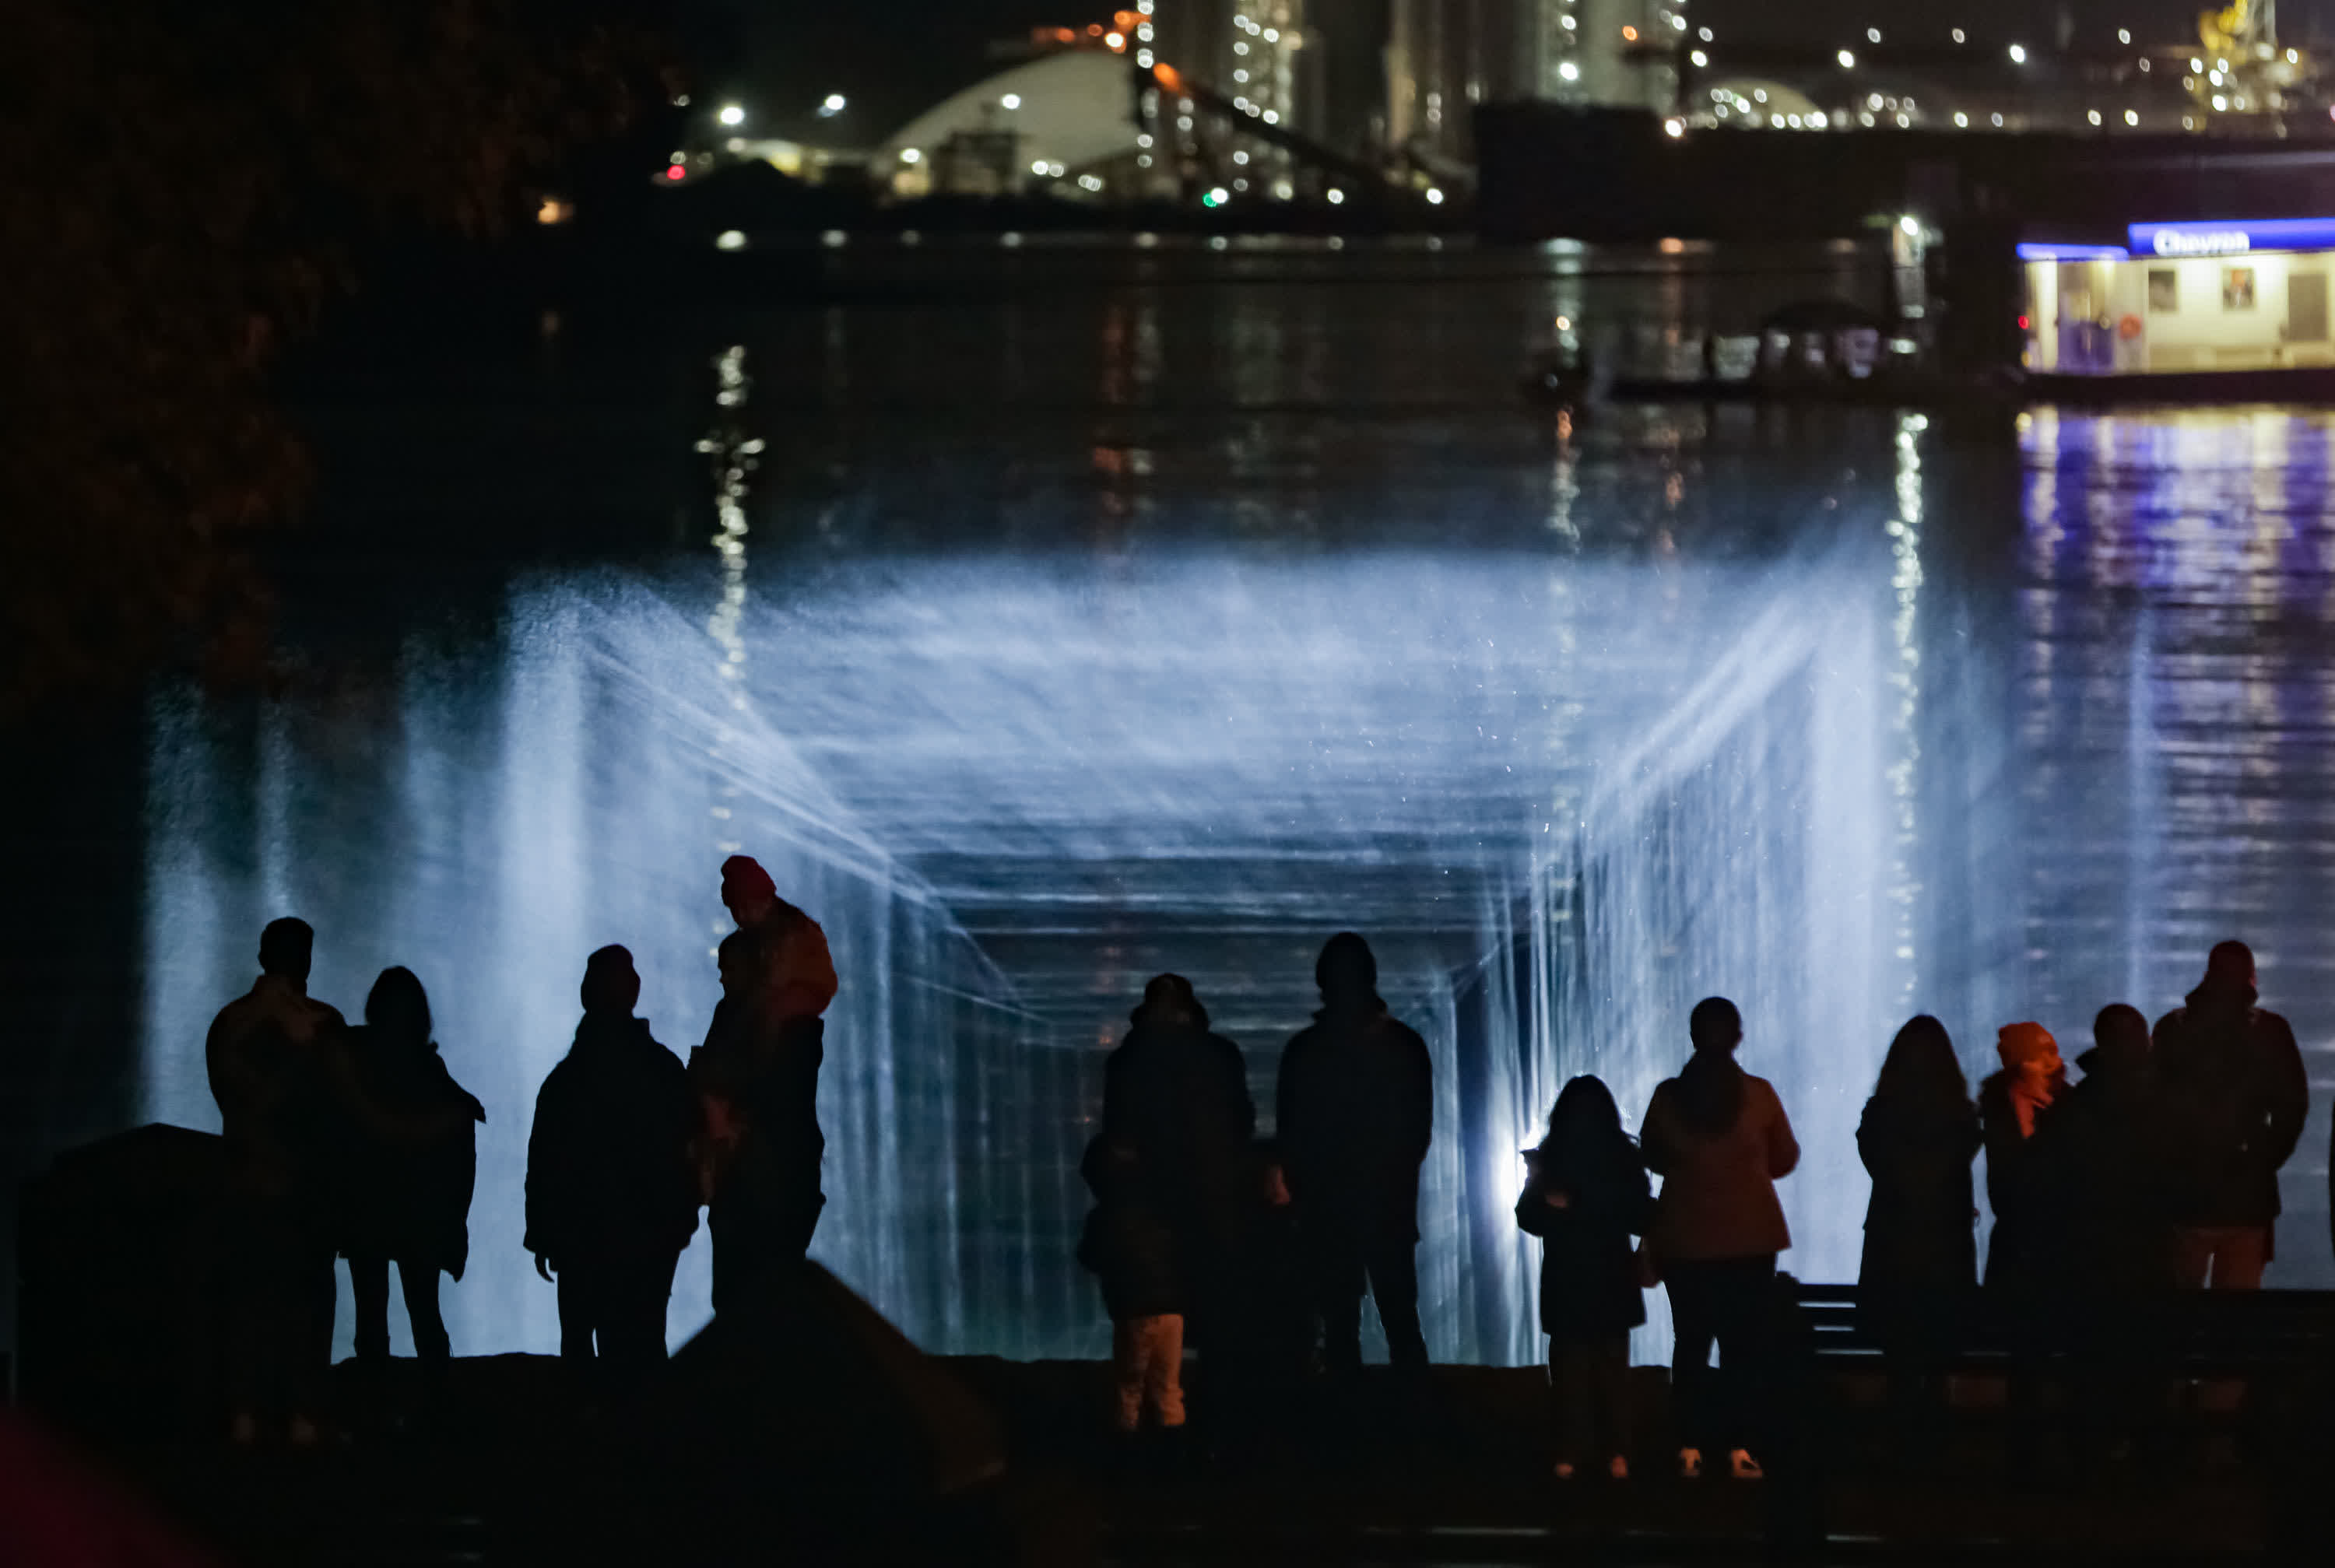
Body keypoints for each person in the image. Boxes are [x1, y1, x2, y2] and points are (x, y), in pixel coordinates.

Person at [525, 946, 701, 1388]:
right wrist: (681, 1220)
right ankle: (642, 1447)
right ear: (635, 993)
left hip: (582, 1237)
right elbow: (690, 1149)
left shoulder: (565, 1080)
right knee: (642, 1348)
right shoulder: (665, 1071)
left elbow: (545, 1160)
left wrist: (542, 1231)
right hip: (648, 1238)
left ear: (585, 994)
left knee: (583, 1353)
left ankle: (591, 1444)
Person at [1641, 996, 1799, 1482]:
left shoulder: (1668, 1097)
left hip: (1686, 1240)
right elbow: (1785, 1159)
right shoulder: (1760, 1095)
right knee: (1742, 1348)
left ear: (1692, 1036)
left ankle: (1688, 1446)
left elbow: (1653, 1156)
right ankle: (1741, 1447)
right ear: (1738, 1036)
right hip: (1750, 1240)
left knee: (1689, 1343)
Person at [205, 917, 346, 1445]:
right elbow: (339, 1109)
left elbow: (229, 1096)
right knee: (306, 1302)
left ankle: (245, 1413)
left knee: (247, 1302)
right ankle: (304, 1415)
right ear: (305, 959)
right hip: (305, 1189)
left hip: (245, 1182)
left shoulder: (227, 1023)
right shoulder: (324, 1024)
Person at [1275, 932, 1434, 1373]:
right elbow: (1417, 1135)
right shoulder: (1405, 1047)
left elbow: (1291, 1134)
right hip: (1389, 1208)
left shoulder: (1304, 1052)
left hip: (1327, 1212)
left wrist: (1305, 1193)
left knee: (1339, 1325)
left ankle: (1345, 1425)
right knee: (1402, 1320)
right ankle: (1415, 1421)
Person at [690, 855, 834, 1310]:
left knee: (744, 1287)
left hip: (753, 1164)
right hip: (769, 1162)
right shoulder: (788, 962)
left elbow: (732, 1074)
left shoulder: (759, 1014)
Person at [341, 967, 483, 1375]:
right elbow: (458, 1147)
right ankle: (438, 1411)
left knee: (371, 1313)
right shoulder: (429, 1068)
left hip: (367, 1206)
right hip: (418, 1213)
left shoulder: (356, 1053)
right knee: (425, 1313)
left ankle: (373, 1408)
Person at [1098, 974, 1256, 1336]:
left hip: (1150, 1192)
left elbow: (1118, 1132)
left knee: (1155, 1291)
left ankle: (1162, 1376)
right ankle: (1216, 1368)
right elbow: (1242, 1118)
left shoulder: (1128, 1060)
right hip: (1213, 1186)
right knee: (1213, 1285)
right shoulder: (1221, 1053)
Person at [1515, 1075, 1653, 1481]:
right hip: (1613, 1275)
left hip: (1565, 1277)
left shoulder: (1551, 1159)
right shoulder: (1625, 1160)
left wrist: (1560, 1203)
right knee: (1613, 1370)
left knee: (1570, 1373)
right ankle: (1618, 1453)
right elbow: (1641, 1215)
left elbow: (1529, 1218)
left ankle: (1570, 1454)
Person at [1855, 1015, 1979, 1457]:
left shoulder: (1880, 1116)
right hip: (1945, 1251)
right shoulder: (1961, 1117)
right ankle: (1936, 1446)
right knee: (1938, 1358)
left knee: (1900, 1360)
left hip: (1894, 1250)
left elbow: (1879, 1166)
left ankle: (1900, 1446)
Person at [2152, 942, 2307, 1291]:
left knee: (2177, 1308)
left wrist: (2170, 1162)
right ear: (2251, 978)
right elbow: (2292, 1108)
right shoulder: (2270, 1031)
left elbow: (2153, 1106)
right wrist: (2262, 1160)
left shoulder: (2172, 1028)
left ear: (2207, 974)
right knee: (2238, 1317)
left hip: (2185, 1194)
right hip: (2247, 1198)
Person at [1077, 1128, 1188, 1433]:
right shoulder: (1158, 1208)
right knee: (1169, 1390)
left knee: (1129, 1390)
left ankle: (1129, 1462)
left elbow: (1089, 1258)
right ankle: (1173, 1461)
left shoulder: (1104, 1217)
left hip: (1135, 1310)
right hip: (1172, 1309)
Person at [1977, 1021, 2067, 1290]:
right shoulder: (1998, 1106)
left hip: (2054, 1236)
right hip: (2017, 1237)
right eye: (2044, 1051)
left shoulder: (2069, 1105)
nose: (2055, 1059)